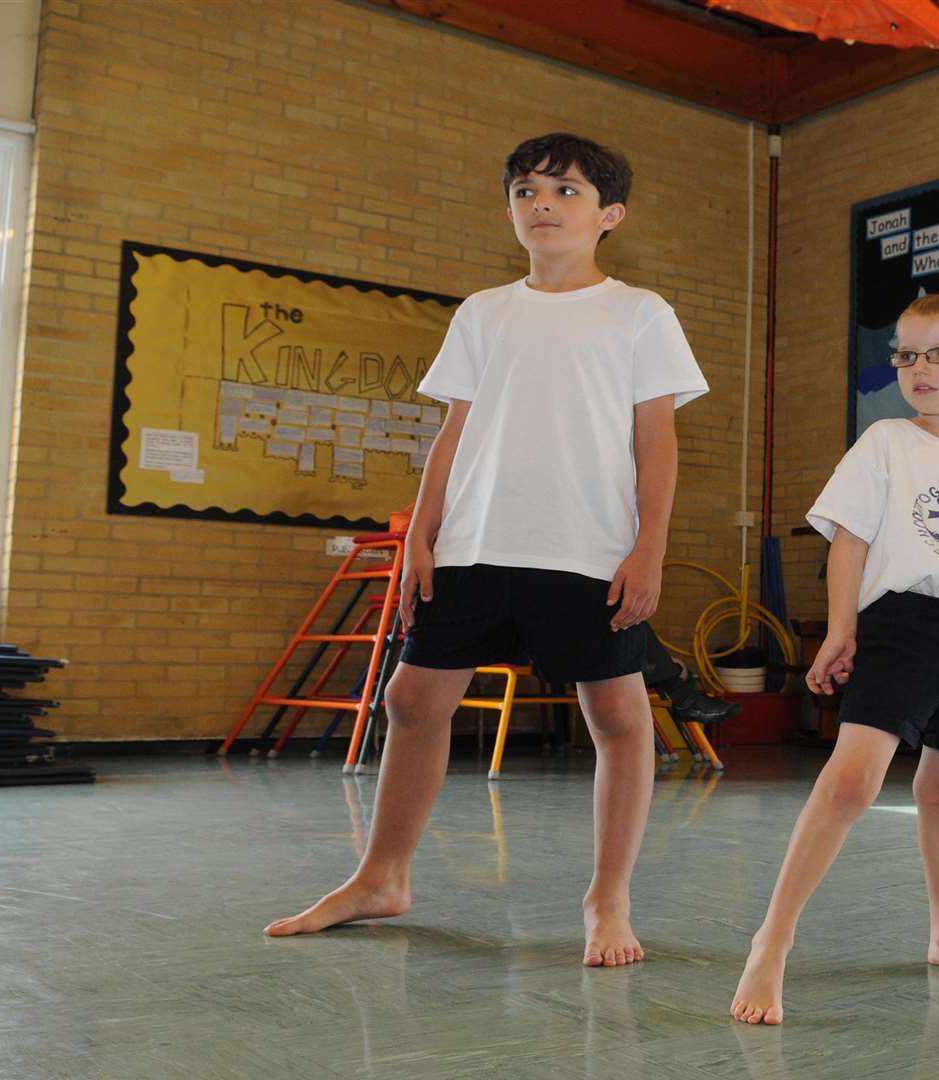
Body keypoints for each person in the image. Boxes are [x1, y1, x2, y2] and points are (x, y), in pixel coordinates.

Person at [266, 132, 710, 969]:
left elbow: (658, 443)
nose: (542, 204)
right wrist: (421, 539)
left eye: (566, 192)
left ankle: (607, 898)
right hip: (474, 543)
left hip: (587, 550)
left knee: (617, 717)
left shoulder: (640, 313)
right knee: (412, 702)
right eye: (526, 192)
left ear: (609, 215)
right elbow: (451, 434)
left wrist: (650, 548)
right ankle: (381, 877)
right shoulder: (484, 311)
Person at [729, 292, 939, 1025]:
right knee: (849, 784)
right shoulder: (886, 441)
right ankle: (772, 940)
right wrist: (841, 629)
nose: (919, 367)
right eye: (907, 354)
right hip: (905, 626)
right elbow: (847, 539)